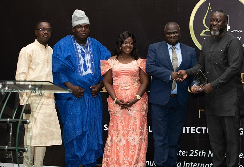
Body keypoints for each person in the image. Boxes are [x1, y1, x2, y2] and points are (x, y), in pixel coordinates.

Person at [180, 10, 244, 167]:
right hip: (212, 101)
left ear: (226, 23)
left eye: (219, 21)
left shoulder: (233, 42)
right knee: (215, 141)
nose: (214, 23)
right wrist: (187, 73)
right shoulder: (207, 41)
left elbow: (234, 69)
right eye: (212, 20)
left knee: (232, 141)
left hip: (229, 100)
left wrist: (212, 85)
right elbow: (201, 66)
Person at [52, 9, 111, 167]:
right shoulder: (62, 45)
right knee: (74, 133)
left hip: (92, 97)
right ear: (73, 29)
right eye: (79, 27)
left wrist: (99, 85)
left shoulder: (97, 45)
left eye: (86, 26)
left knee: (91, 134)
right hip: (73, 98)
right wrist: (71, 87)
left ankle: (89, 164)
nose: (83, 29)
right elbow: (57, 69)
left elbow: (108, 67)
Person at [146, 22, 197, 167]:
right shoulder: (154, 48)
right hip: (160, 102)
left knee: (174, 139)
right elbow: (149, 67)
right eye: (169, 33)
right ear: (165, 34)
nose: (172, 35)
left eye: (175, 32)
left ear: (180, 33)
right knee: (160, 139)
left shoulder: (190, 51)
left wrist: (194, 86)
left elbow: (194, 74)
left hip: (179, 101)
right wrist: (170, 75)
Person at [15, 20, 62, 167]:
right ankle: (27, 165)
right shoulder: (27, 50)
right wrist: (24, 101)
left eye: (48, 29)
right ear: (36, 32)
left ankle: (38, 165)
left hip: (48, 101)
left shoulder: (51, 51)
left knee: (43, 138)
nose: (45, 32)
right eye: (42, 29)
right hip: (32, 100)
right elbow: (20, 78)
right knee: (30, 137)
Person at [101, 31, 149, 167]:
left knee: (135, 136)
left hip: (137, 105)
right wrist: (115, 99)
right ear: (120, 44)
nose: (128, 45)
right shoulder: (111, 61)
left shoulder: (139, 62)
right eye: (125, 42)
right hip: (117, 104)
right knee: (117, 135)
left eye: (131, 43)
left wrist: (136, 98)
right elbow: (107, 82)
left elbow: (145, 82)